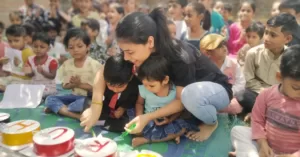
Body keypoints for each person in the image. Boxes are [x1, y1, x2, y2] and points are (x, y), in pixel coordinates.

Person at [80, 8, 232, 143]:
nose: (126, 57)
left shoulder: (180, 57)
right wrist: (96, 107)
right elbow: (104, 68)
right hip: (187, 97)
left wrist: (147, 117)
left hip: (216, 91)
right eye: (124, 51)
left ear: (150, 42)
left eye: (129, 52)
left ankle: (211, 122)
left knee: (189, 96)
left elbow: (181, 100)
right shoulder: (136, 50)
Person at [230, 45, 300, 157]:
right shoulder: (266, 94)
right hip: (267, 148)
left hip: (292, 154)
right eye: (296, 88)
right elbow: (257, 120)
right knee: (237, 131)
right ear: (279, 77)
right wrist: (262, 143)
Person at [133, 55, 191, 147]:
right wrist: (140, 118)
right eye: (145, 85)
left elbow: (179, 109)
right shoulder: (144, 89)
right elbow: (139, 103)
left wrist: (170, 120)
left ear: (165, 80)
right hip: (148, 120)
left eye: (151, 86)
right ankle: (168, 136)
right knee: (135, 129)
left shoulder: (175, 91)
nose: (147, 88)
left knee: (183, 128)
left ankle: (146, 140)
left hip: (168, 121)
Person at [45, 28, 101, 119]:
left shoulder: (94, 65)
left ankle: (61, 109)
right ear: (67, 49)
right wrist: (71, 85)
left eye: (79, 46)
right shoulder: (67, 64)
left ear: (88, 47)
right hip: (73, 96)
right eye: (71, 47)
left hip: (87, 99)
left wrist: (79, 84)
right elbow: (64, 86)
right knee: (49, 99)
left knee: (82, 104)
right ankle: (76, 115)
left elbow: (98, 89)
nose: (75, 50)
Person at [244, 13, 296, 95]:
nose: (266, 38)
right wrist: (264, 92)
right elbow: (249, 80)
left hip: (281, 95)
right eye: (266, 32)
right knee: (242, 95)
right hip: (257, 93)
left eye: (273, 35)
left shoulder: (293, 59)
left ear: (287, 39)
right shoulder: (253, 54)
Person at [89, 54, 139, 132]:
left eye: (120, 86)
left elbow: (133, 99)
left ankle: (104, 123)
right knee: (87, 106)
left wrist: (123, 108)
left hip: (122, 111)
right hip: (106, 107)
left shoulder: (135, 85)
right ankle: (102, 122)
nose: (115, 90)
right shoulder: (102, 83)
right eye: (110, 85)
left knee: (128, 123)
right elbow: (95, 99)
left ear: (130, 78)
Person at [0, 25, 34, 91]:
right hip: (13, 77)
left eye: (16, 41)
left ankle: (6, 89)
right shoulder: (11, 50)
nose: (13, 44)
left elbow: (33, 74)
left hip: (25, 80)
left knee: (13, 85)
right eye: (10, 41)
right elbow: (12, 69)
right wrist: (5, 64)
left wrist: (29, 71)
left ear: (25, 40)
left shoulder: (29, 52)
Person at [24, 33, 58, 97]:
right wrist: (29, 71)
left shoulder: (52, 61)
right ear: (32, 46)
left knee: (40, 94)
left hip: (48, 86)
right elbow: (30, 76)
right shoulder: (30, 60)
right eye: (35, 46)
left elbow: (52, 76)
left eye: (42, 47)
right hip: (35, 85)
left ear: (48, 48)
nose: (38, 49)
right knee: (23, 91)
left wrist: (43, 72)